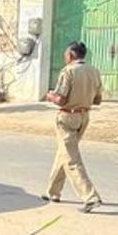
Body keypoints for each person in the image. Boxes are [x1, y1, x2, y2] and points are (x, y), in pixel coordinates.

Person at [43, 41, 102, 212]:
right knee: (65, 152)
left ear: (70, 55)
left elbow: (60, 99)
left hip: (67, 116)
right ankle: (53, 191)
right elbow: (97, 99)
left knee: (72, 159)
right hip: (84, 116)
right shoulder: (94, 71)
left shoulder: (68, 71)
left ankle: (90, 197)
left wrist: (50, 96)